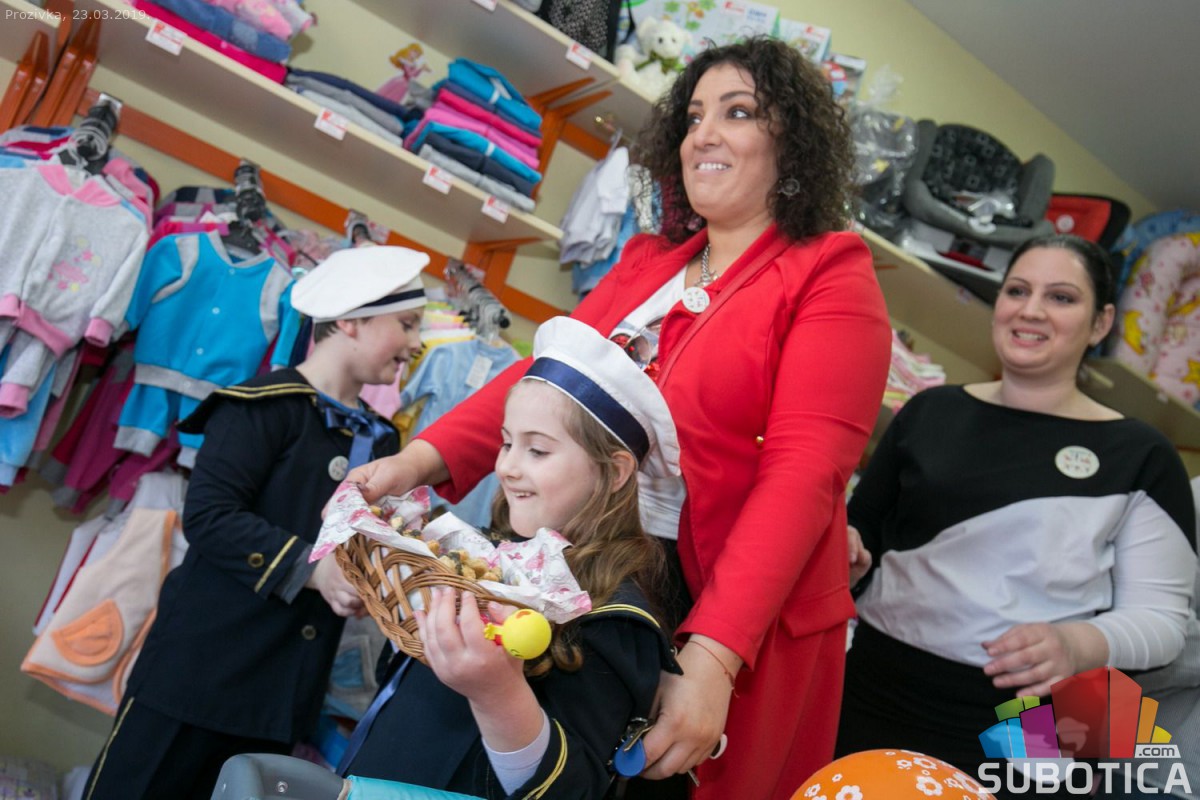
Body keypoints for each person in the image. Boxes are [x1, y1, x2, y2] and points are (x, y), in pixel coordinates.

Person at [347, 37, 892, 798]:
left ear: (791, 141)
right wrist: (413, 464)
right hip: (597, 570)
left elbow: (802, 475)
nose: (704, 134)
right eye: (693, 116)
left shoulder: (831, 272)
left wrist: (713, 656)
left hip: (726, 609)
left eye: (738, 113)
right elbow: (542, 381)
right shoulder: (648, 262)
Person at [838, 234, 1198, 791]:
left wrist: (1077, 644)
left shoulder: (1142, 456)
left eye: (1061, 297)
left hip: (1037, 717)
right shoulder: (929, 411)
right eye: (1017, 291)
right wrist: (848, 554)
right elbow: (862, 533)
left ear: (1101, 323)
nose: (1031, 310)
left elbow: (1165, 623)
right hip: (877, 682)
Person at [83, 246, 429, 799]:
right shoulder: (260, 406)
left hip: (282, 692)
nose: (417, 342)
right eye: (407, 324)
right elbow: (209, 515)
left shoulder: (383, 441)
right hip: (198, 674)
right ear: (350, 321)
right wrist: (314, 572)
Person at [340, 316, 683, 798]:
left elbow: (575, 789)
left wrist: (497, 695)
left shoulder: (616, 621)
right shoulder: (484, 556)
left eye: (537, 450)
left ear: (616, 470)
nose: (506, 467)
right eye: (505, 443)